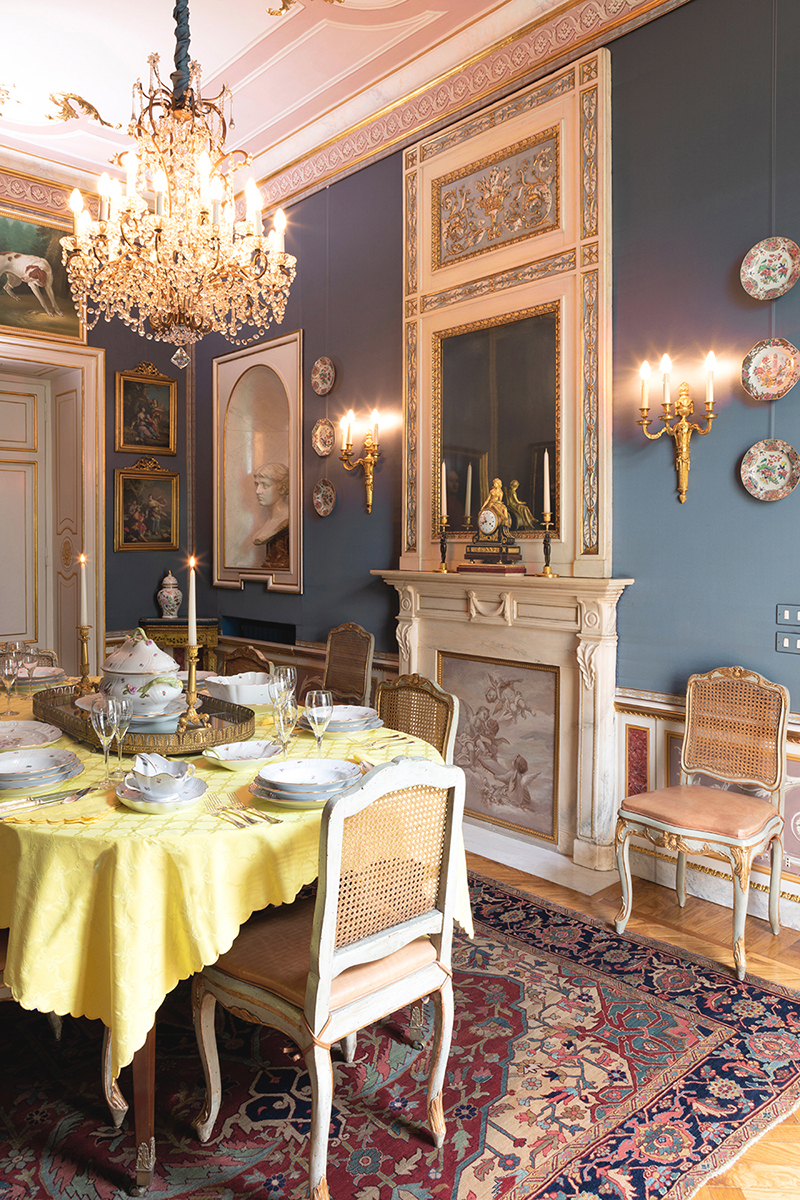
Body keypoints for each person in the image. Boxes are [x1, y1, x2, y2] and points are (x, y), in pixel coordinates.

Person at [252, 462, 290, 569]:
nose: (258, 491)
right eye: (257, 485)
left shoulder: (286, 519)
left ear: (282, 489)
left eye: (265, 486)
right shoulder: (271, 520)